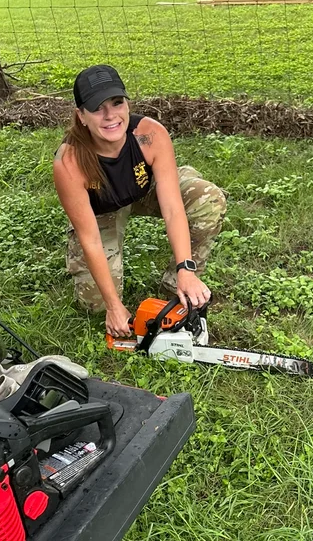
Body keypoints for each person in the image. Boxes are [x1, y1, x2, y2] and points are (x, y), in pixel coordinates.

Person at [53, 65, 227, 337]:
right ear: (81, 116)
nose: (110, 115)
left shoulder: (150, 135)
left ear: (127, 103)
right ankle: (101, 293)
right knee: (95, 305)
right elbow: (91, 239)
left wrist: (186, 268)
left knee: (207, 200)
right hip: (102, 210)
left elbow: (172, 209)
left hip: (145, 188)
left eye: (117, 102)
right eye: (98, 108)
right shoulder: (70, 161)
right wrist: (113, 306)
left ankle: (176, 283)